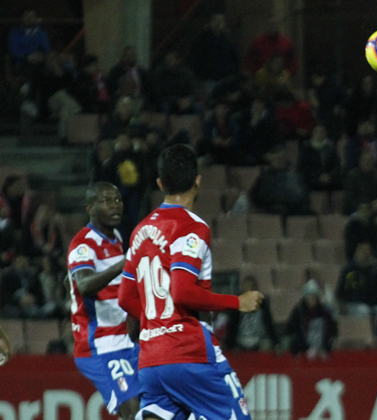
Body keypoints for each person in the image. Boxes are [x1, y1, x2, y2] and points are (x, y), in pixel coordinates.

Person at [118, 144, 263, 420]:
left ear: (161, 183)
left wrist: (156, 324)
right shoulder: (191, 227)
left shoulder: (140, 230)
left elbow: (125, 298)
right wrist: (237, 302)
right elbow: (182, 291)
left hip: (150, 360)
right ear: (198, 180)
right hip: (189, 355)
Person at [66, 182, 139, 420]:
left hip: (126, 341)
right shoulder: (83, 244)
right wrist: (124, 263)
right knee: (132, 411)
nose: (116, 206)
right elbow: (84, 284)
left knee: (156, 405)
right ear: (91, 208)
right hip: (100, 346)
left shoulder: (116, 237)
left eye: (117, 200)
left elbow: (68, 281)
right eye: (107, 201)